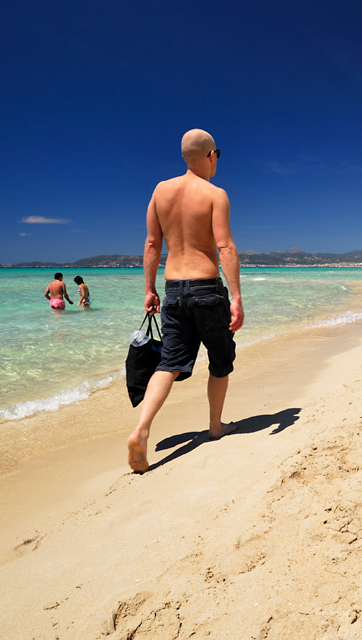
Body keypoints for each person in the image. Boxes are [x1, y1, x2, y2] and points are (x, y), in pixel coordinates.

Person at [127, 129, 244, 473]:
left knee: (169, 362)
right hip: (207, 289)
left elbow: (152, 245)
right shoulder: (215, 194)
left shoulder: (160, 191)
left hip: (173, 291)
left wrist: (150, 290)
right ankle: (215, 426)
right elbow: (225, 247)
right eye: (218, 154)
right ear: (211, 156)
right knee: (220, 359)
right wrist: (236, 297)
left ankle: (141, 429)